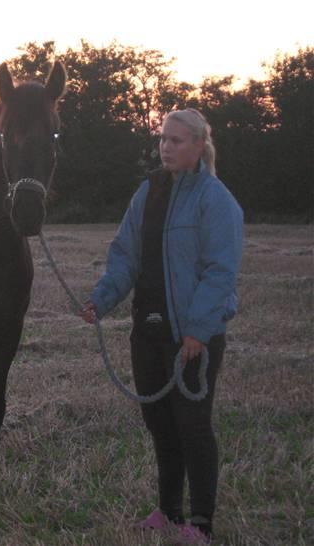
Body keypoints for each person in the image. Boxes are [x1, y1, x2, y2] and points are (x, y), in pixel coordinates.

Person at [80, 108, 243, 544]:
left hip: (191, 337)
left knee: (193, 426)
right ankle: (168, 513)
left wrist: (198, 330)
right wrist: (102, 299)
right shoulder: (148, 192)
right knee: (160, 425)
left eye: (177, 140)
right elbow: (125, 255)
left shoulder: (215, 199)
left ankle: (202, 523)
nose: (166, 147)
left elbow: (220, 271)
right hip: (147, 331)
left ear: (198, 145)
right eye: (163, 139)